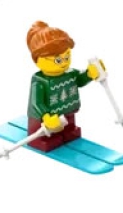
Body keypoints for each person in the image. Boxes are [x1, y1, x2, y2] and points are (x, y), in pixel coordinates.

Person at [25, 22, 102, 152]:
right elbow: (36, 103)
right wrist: (46, 116)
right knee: (41, 129)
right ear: (38, 59)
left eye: (67, 57)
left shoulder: (69, 73)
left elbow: (79, 80)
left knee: (69, 124)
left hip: (66, 110)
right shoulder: (39, 81)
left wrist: (90, 73)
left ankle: (68, 131)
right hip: (44, 120)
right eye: (58, 60)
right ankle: (40, 139)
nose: (64, 63)